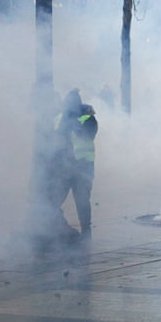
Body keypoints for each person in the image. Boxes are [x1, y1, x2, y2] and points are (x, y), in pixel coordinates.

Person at [53, 89, 98, 240]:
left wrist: (73, 124)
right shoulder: (60, 118)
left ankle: (86, 233)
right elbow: (52, 140)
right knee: (55, 200)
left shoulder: (88, 118)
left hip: (82, 167)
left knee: (82, 201)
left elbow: (88, 134)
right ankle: (58, 228)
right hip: (64, 168)